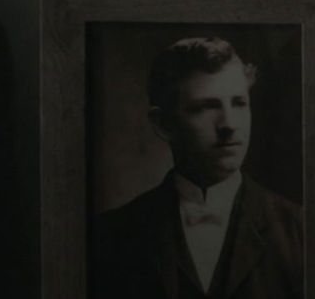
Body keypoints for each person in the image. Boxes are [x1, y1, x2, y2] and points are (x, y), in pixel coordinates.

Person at [91, 37, 303, 298]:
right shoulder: (110, 238)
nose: (229, 124)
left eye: (239, 103)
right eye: (206, 107)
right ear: (163, 124)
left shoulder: (301, 232)